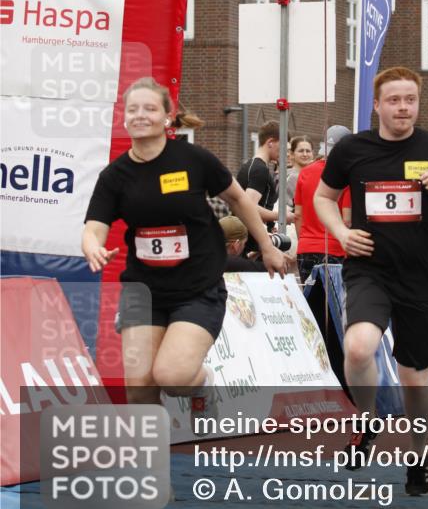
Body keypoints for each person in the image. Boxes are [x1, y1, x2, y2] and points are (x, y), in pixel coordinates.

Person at [82, 77, 288, 429]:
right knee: (140, 389)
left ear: (167, 117)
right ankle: (151, 481)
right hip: (143, 289)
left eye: (149, 108)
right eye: (133, 109)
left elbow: (239, 199)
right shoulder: (115, 176)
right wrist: (93, 247)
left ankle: (202, 385)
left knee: (173, 375)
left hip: (197, 285)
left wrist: (267, 246)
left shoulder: (193, 159)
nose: (140, 115)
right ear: (123, 118)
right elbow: (94, 225)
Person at [314, 66, 428, 497]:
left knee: (414, 377)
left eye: (409, 100)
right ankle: (367, 422)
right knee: (357, 346)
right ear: (377, 105)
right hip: (369, 267)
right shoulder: (352, 149)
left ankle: (420, 456)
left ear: (417, 103)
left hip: (420, 276)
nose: (402, 107)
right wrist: (342, 233)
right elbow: (323, 197)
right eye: (394, 100)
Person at [294, 126, 350, 284]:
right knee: (335, 306)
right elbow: (347, 220)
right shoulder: (345, 175)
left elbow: (298, 214)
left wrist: (305, 240)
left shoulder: (305, 172)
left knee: (310, 303)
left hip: (306, 249)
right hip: (335, 250)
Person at [237, 121, 281, 254]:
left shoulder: (249, 165)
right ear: (271, 142)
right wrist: (280, 216)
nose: (285, 151)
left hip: (250, 238)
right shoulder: (260, 170)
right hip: (252, 242)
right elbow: (248, 206)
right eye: (283, 145)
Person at [285, 136, 314, 213]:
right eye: (301, 151)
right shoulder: (292, 177)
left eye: (308, 151)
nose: (305, 154)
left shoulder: (315, 176)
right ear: (292, 154)